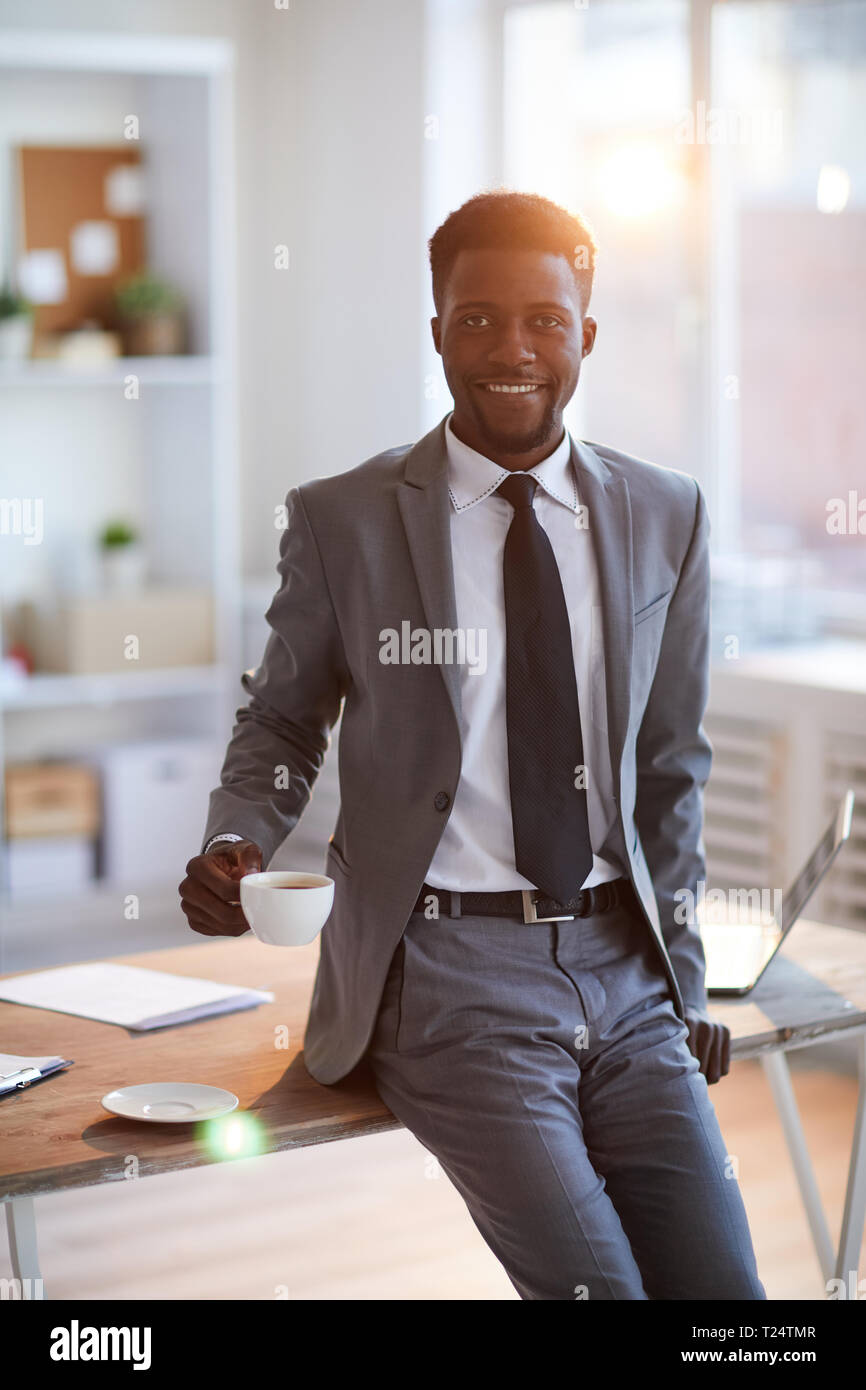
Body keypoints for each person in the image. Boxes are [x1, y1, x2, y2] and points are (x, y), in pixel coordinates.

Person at [179, 190, 765, 1301]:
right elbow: (282, 719)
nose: (512, 349)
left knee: (729, 1305)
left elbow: (667, 769)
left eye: (544, 321)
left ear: (584, 335)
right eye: (477, 318)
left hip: (626, 975)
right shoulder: (342, 517)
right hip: (445, 979)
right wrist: (235, 836)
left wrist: (684, 979)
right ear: (436, 329)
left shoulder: (664, 512)